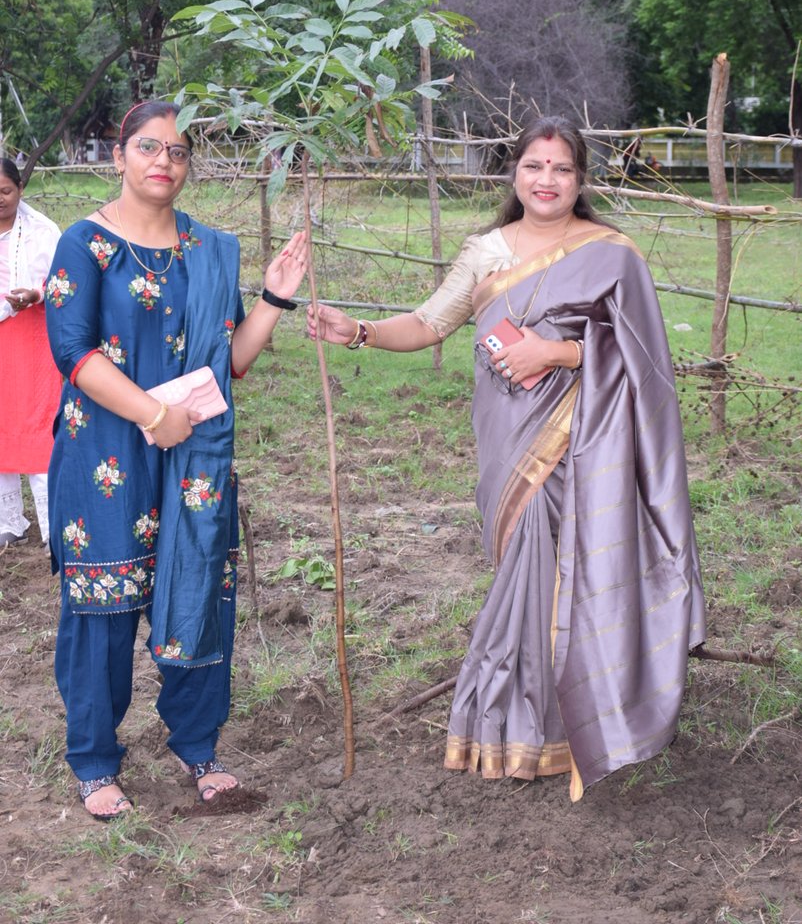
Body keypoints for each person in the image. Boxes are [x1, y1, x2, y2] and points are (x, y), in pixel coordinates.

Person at [308, 116, 706, 801]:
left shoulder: (612, 254)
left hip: (590, 444)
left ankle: (568, 724)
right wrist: (360, 332)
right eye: (534, 166)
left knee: (571, 570)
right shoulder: (487, 252)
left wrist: (554, 352)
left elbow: (646, 360)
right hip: (509, 443)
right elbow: (430, 323)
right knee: (523, 566)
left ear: (580, 181)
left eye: (562, 169)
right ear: (513, 174)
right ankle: (526, 727)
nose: (547, 180)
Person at [45, 100, 308, 820]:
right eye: (149, 148)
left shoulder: (209, 249)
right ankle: (96, 761)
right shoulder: (85, 243)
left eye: (179, 151)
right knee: (102, 606)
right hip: (107, 455)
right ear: (119, 154)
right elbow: (72, 351)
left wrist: (275, 299)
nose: (164, 162)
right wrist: (152, 414)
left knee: (198, 594)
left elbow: (227, 367)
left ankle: (199, 748)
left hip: (192, 457)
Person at [0, 157, 62, 546]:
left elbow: (62, 280)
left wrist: (36, 293)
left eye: (4, 191)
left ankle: (53, 523)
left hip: (32, 338)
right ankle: (8, 522)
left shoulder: (43, 231)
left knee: (39, 426)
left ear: (20, 188)